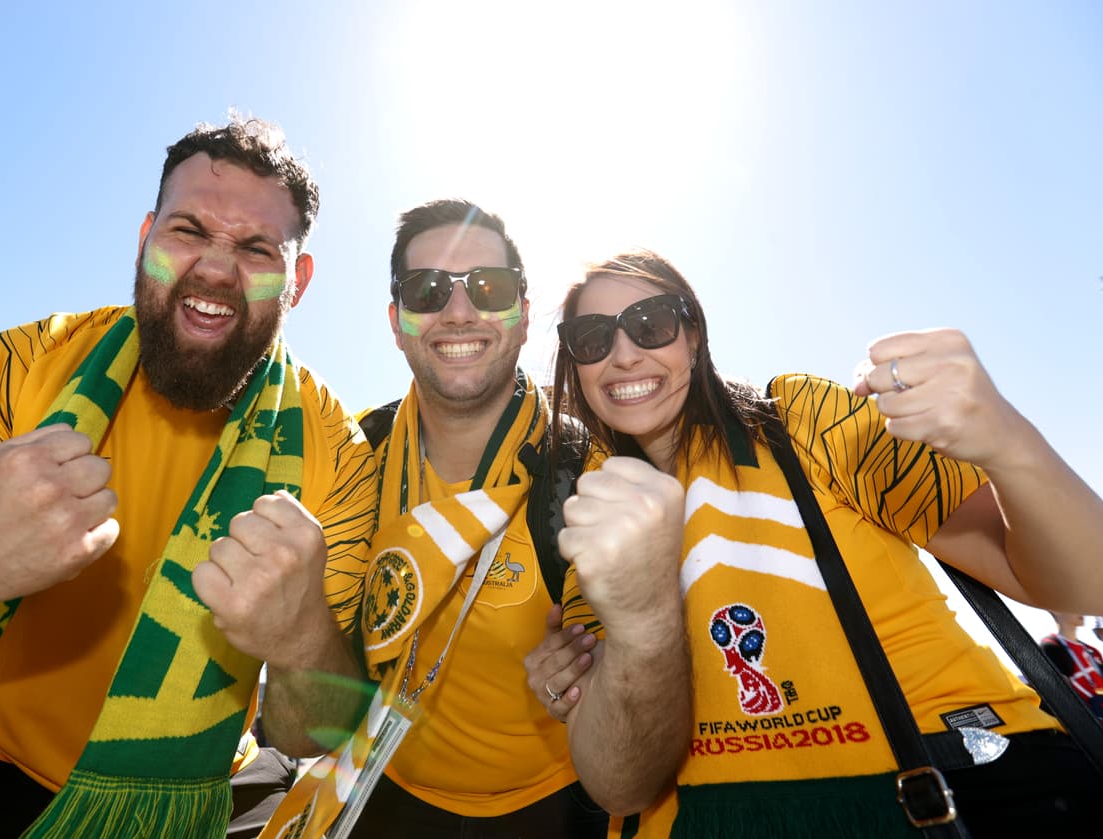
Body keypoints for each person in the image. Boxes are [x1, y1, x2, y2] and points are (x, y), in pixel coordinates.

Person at [0, 114, 376, 838]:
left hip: (179, 800)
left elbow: (313, 735)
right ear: (145, 237)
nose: (213, 268)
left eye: (255, 247)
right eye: (187, 231)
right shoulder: (12, 369)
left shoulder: (336, 452)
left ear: (296, 279)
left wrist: (303, 640)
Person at [525, 249, 1103, 837]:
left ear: (693, 337)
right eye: (591, 337)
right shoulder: (590, 514)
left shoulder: (801, 418)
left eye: (651, 324)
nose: (623, 355)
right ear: (575, 363)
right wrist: (634, 632)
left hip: (954, 780)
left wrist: (1008, 445)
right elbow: (620, 783)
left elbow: (1083, 584)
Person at [263, 199, 608, 839]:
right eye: (427, 291)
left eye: (489, 288)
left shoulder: (587, 466)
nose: (458, 312)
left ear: (524, 315)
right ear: (396, 322)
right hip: (379, 786)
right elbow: (303, 727)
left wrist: (596, 670)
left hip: (552, 806)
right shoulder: (352, 457)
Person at [1040, 611, 1103, 720]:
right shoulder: (1051, 646)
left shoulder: (1092, 651)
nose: (1081, 611)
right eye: (1071, 607)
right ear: (1056, 612)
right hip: (1088, 723)